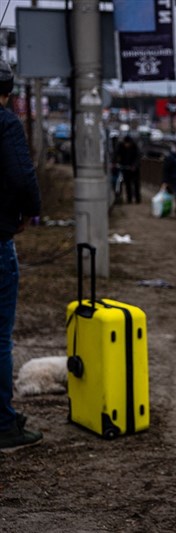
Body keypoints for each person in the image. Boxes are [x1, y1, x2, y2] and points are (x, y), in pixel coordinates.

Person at [0, 60, 44, 451]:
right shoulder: (5, 123)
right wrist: (30, 212)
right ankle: (3, 423)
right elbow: (21, 175)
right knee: (0, 337)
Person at [113, 135, 142, 204]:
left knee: (136, 183)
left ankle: (137, 199)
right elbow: (116, 154)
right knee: (127, 183)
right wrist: (114, 162)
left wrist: (134, 166)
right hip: (125, 167)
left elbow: (138, 157)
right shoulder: (120, 146)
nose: (126, 145)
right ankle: (129, 199)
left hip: (134, 169)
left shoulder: (135, 147)